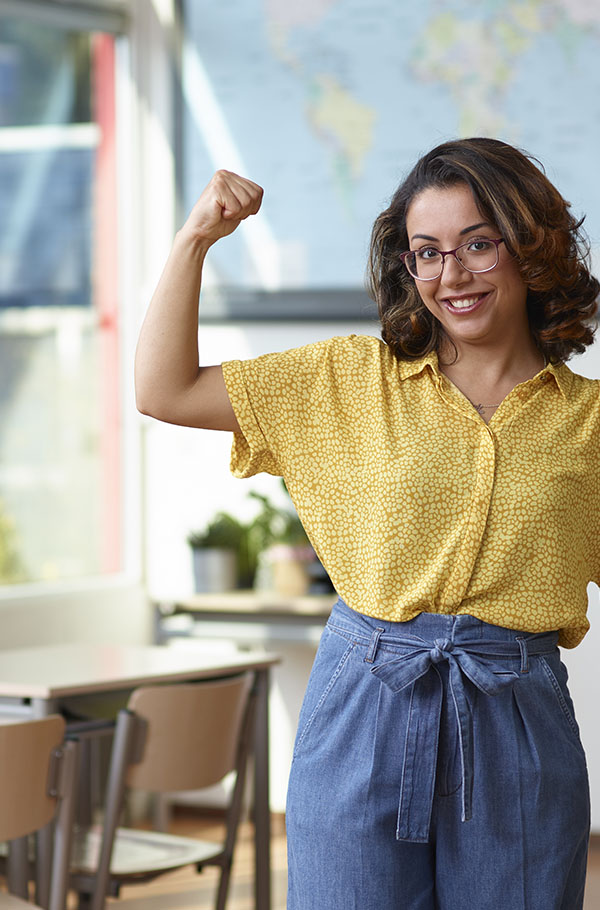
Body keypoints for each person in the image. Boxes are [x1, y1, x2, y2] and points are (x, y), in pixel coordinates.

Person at [135, 138, 600, 910]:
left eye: (478, 244)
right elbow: (165, 388)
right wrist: (195, 241)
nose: (451, 275)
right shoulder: (346, 379)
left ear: (531, 247)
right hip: (362, 706)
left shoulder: (590, 425)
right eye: (428, 252)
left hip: (518, 720)